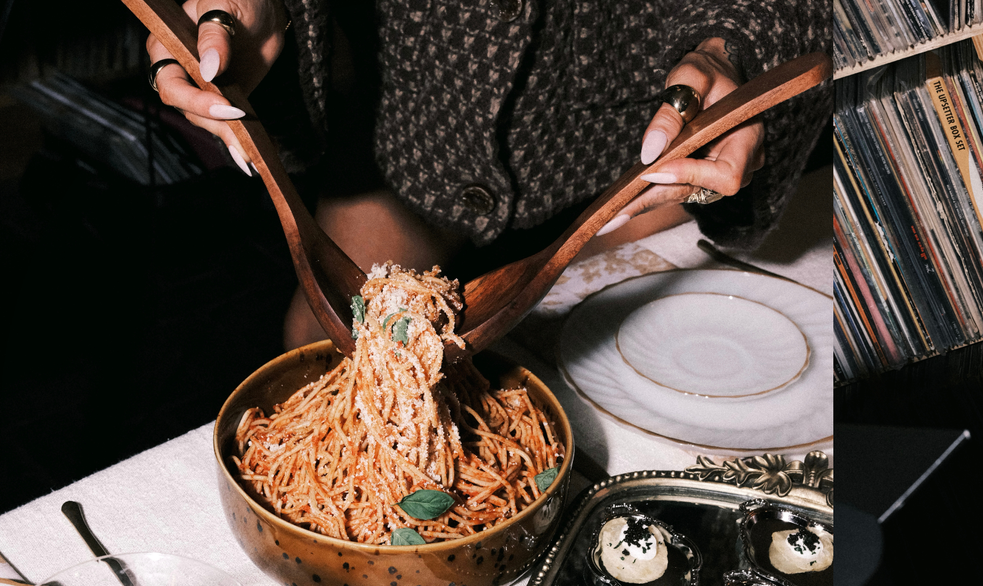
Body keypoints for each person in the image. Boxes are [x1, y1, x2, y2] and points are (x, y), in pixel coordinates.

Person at [142, 0, 832, 348]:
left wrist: (735, 41)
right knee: (316, 343)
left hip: (637, 136)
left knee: (654, 357)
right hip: (410, 118)